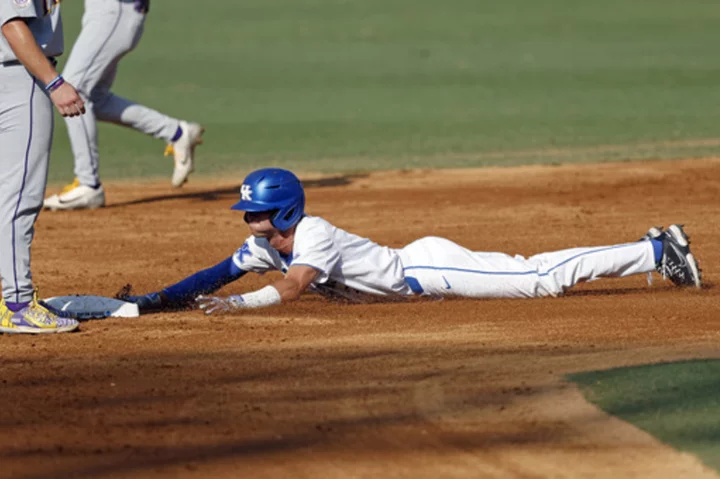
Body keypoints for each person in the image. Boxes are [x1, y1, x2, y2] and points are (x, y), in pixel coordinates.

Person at [124, 168, 702, 315]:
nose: (251, 224)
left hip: (429, 269)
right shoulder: (263, 246)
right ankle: (654, 250)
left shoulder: (314, 236)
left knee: (537, 279)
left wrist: (240, 305)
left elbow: (294, 286)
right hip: (420, 277)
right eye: (248, 214)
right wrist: (153, 302)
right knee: (535, 279)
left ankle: (656, 250)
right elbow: (213, 276)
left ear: (288, 210)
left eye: (260, 215)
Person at [42, 0, 204, 211]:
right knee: (95, 100)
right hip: (109, 14)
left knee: (74, 91)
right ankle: (177, 133)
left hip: (115, 11)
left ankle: (88, 184)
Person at [0, 0, 84, 333]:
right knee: (20, 196)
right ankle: (17, 303)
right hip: (19, 77)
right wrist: (53, 82)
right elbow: (11, 23)